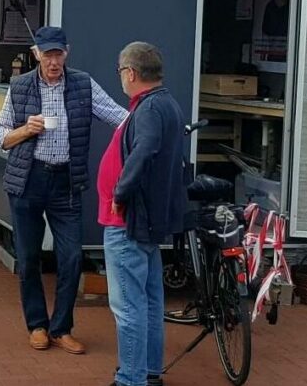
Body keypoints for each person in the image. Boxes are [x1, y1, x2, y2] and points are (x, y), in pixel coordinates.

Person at [0, 26, 127, 355]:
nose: (54, 61)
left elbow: (117, 116)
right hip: (28, 180)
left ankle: (62, 327)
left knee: (70, 258)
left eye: (59, 54)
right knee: (28, 259)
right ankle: (37, 325)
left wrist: (150, 124)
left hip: (66, 181)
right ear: (36, 53)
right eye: (47, 54)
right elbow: (0, 137)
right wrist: (26, 129)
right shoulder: (21, 85)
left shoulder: (82, 83)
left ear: (67, 52)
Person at [103, 42, 187, 386]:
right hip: (146, 221)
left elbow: (145, 150)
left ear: (131, 73)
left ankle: (131, 378)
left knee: (128, 306)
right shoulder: (165, 103)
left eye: (121, 72)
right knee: (150, 301)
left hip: (129, 222)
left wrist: (120, 193)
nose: (121, 78)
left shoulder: (149, 109)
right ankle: (149, 371)